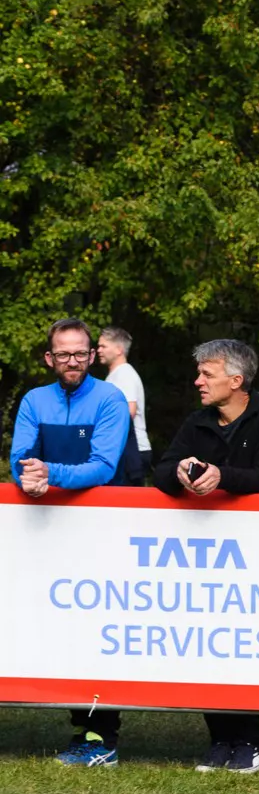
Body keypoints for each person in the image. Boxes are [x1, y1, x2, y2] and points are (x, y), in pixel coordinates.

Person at [154, 339, 259, 773]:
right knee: (207, 643)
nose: (197, 382)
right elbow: (160, 470)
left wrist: (222, 477)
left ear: (237, 380)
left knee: (242, 644)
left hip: (255, 549)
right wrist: (178, 475)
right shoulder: (197, 421)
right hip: (204, 553)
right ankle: (220, 738)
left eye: (207, 374)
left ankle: (253, 739)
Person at [11, 319, 134, 766]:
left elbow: (102, 466)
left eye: (80, 353)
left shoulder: (109, 398)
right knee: (55, 622)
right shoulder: (33, 399)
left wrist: (51, 474)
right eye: (63, 354)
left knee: (97, 629)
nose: (72, 361)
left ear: (91, 355)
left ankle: (101, 735)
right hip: (46, 527)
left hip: (100, 530)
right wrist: (30, 478)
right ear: (49, 358)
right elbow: (19, 457)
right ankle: (81, 726)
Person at [97, 325, 151, 483]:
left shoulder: (124, 374)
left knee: (127, 505)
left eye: (103, 346)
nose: (98, 350)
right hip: (125, 450)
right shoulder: (116, 375)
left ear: (119, 349)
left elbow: (128, 412)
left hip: (132, 451)